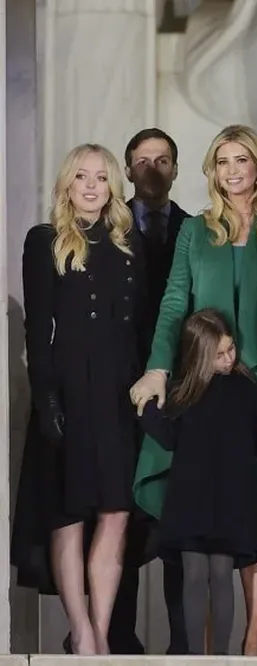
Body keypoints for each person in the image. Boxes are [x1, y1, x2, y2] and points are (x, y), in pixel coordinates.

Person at [129, 124, 257, 655]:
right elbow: (173, 302)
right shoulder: (194, 231)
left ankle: (252, 634)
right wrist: (159, 368)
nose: (232, 171)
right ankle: (199, 646)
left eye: (241, 160)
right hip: (196, 382)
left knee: (252, 510)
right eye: (222, 161)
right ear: (213, 171)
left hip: (255, 384)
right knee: (193, 513)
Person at [12, 144, 148, 655]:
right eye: (81, 177)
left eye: (100, 177)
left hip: (118, 393)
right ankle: (82, 631)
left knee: (116, 512)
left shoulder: (129, 244)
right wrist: (47, 398)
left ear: (113, 185)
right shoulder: (44, 240)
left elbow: (137, 328)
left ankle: (102, 628)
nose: (91, 186)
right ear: (67, 184)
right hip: (67, 389)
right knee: (67, 513)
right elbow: (36, 329)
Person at [138, 309, 257, 655]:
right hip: (192, 497)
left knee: (222, 575)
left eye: (231, 350)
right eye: (219, 354)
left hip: (232, 498)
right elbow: (168, 435)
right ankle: (197, 656)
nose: (228, 359)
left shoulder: (248, 390)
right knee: (195, 574)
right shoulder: (184, 393)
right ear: (199, 355)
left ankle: (221, 656)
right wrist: (144, 406)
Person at [112, 127, 193, 656]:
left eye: (162, 160)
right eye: (142, 161)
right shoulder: (106, 226)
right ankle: (118, 638)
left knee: (176, 521)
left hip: (182, 391)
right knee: (122, 518)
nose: (152, 169)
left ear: (176, 169)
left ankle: (182, 644)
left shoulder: (195, 228)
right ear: (127, 169)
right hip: (119, 389)